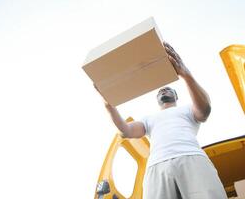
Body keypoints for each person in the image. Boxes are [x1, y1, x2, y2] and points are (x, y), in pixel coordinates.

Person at [95, 42, 227, 199]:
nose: (164, 89)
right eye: (160, 91)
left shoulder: (188, 109)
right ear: (157, 99)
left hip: (191, 158)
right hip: (157, 166)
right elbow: (126, 130)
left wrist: (186, 74)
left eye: (169, 89)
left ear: (176, 96)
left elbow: (205, 110)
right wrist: (108, 105)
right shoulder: (148, 119)